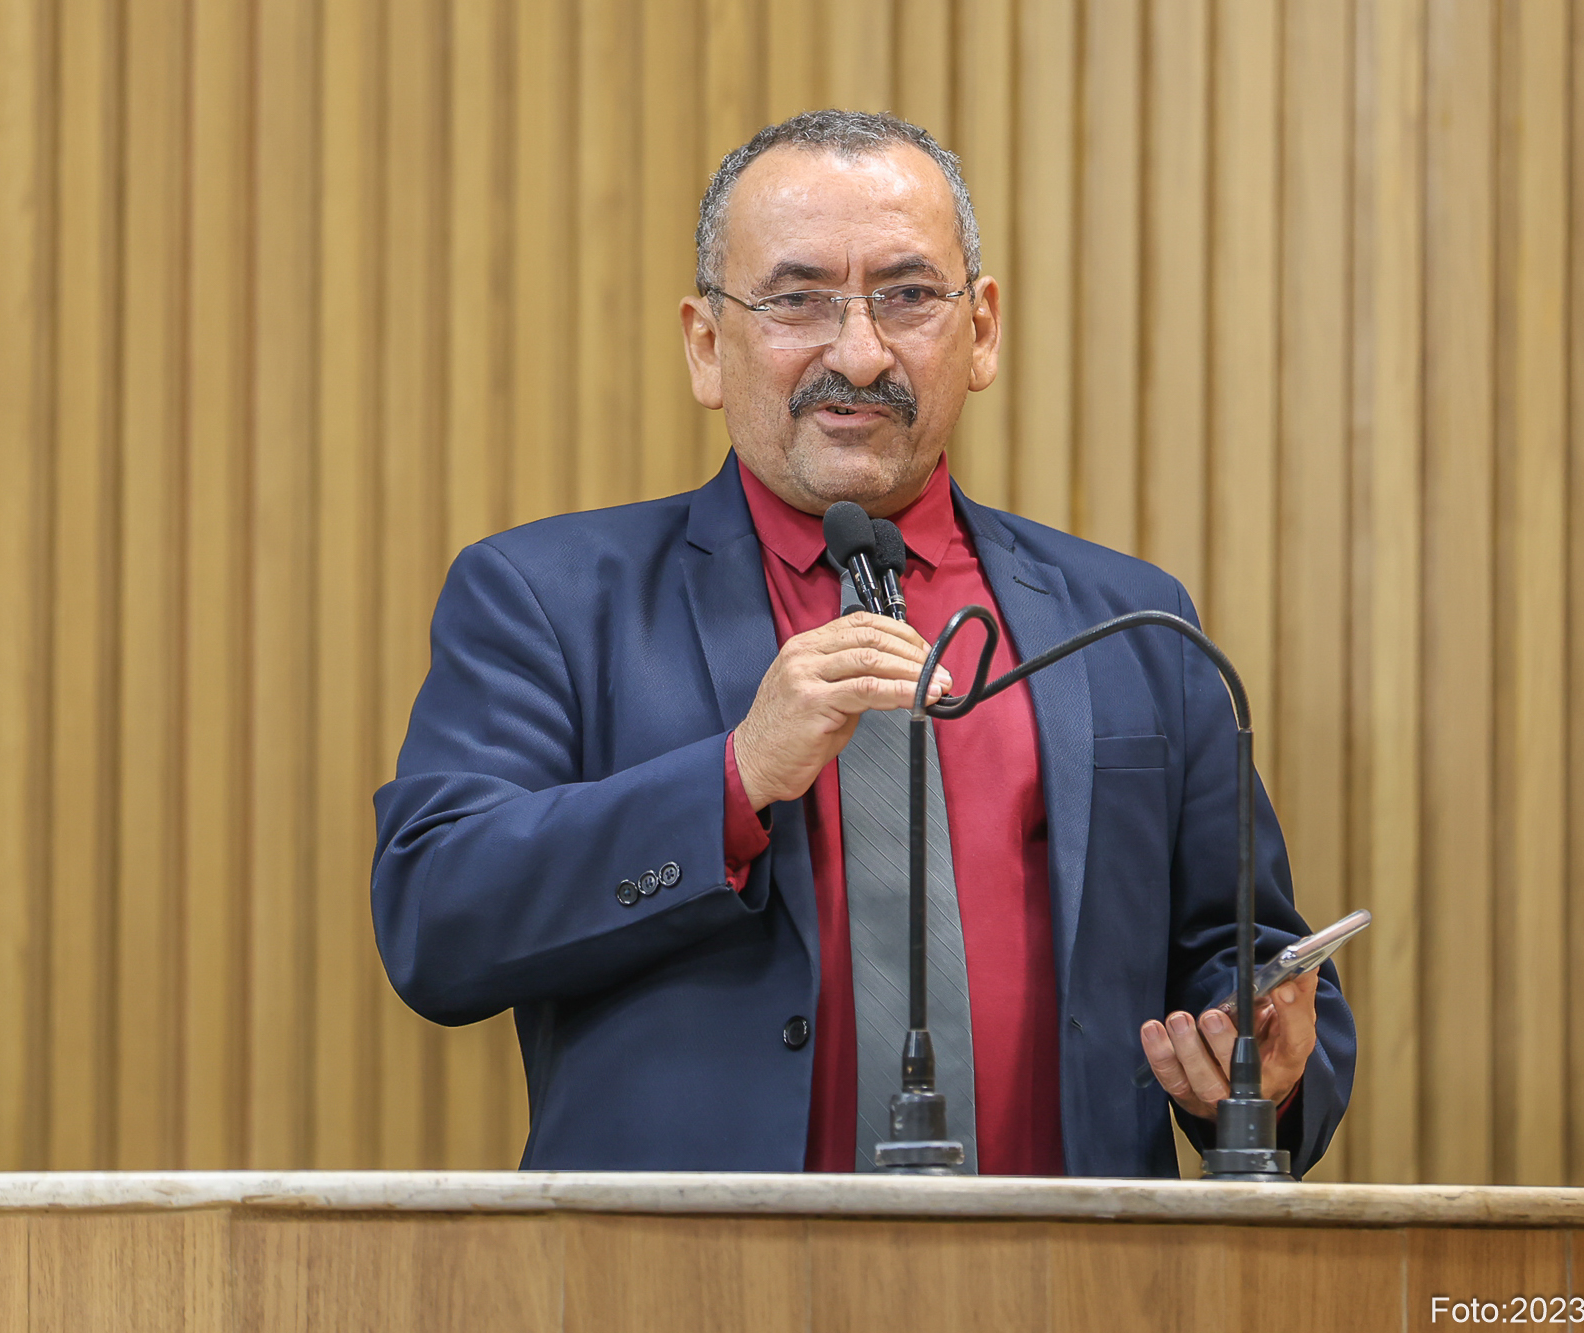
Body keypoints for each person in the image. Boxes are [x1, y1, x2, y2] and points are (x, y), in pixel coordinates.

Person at [372, 110, 1356, 1176]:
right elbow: (436, 918)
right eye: (796, 300)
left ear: (981, 330)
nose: (858, 352)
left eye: (907, 295)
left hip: (1065, 1258)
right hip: (688, 1260)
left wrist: (1259, 1059)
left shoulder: (1131, 622)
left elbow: (1243, 956)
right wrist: (734, 780)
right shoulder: (548, 599)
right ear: (707, 346)